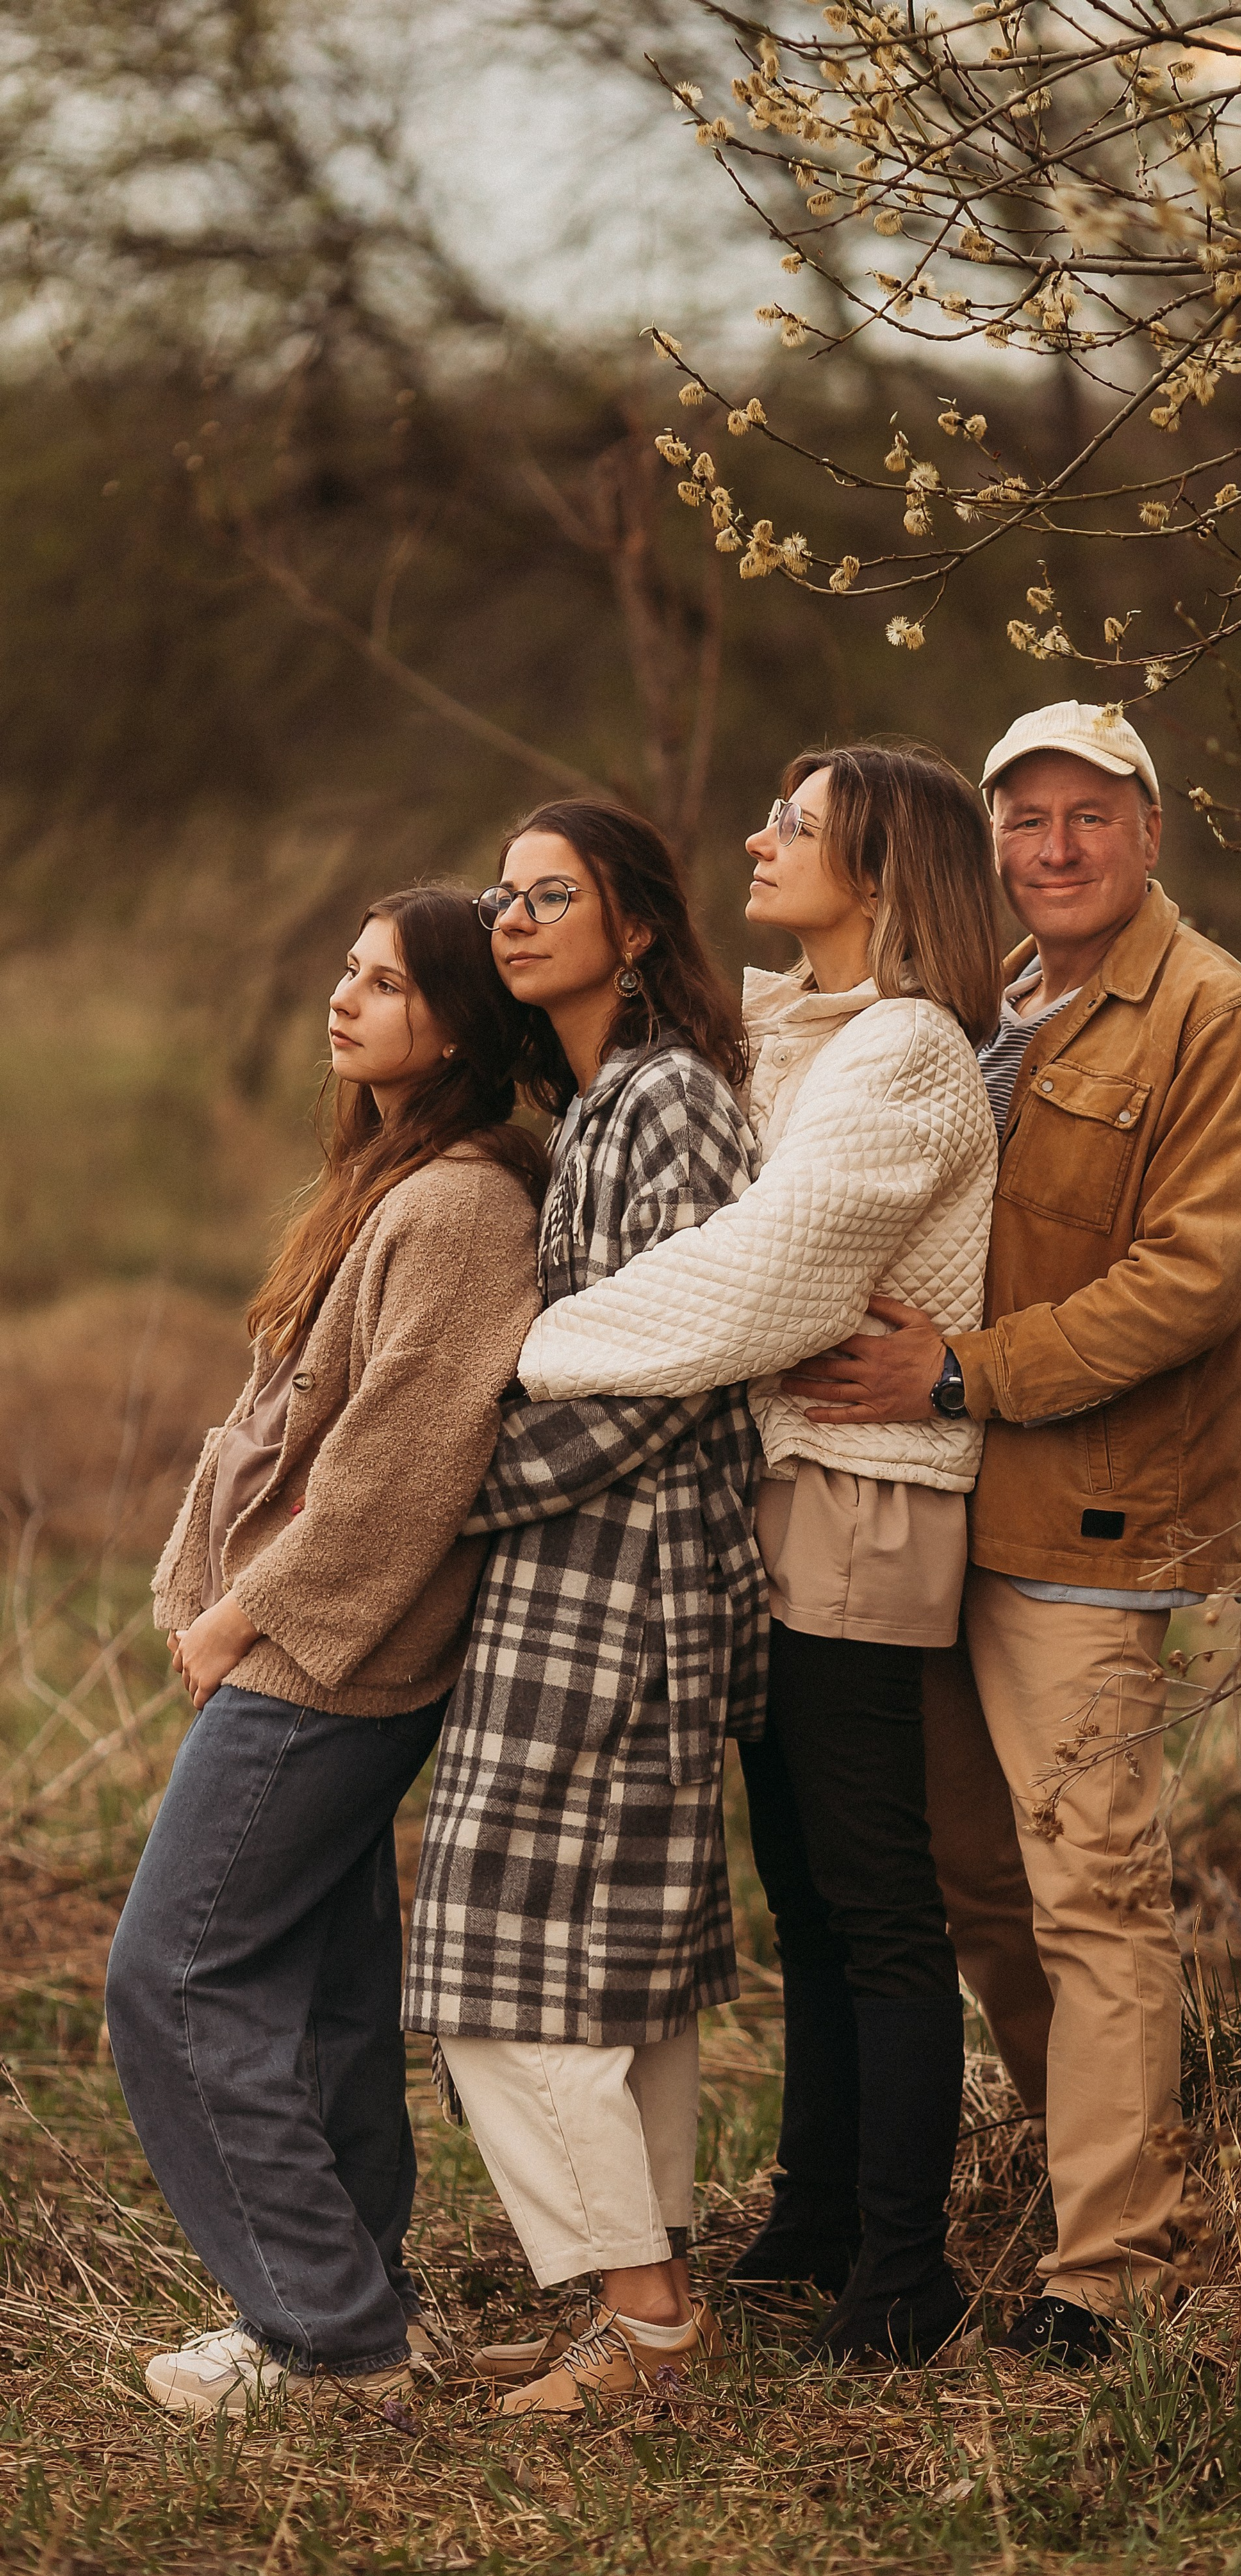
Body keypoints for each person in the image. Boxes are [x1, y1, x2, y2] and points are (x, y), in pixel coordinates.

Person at [784, 700, 1241, 2366]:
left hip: (1083, 1508)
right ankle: (1087, 2181)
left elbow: (1190, 1278)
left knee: (1091, 1887)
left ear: (1151, 829)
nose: (1055, 850)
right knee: (971, 1884)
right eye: (1026, 822)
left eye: (1089, 817)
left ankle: (1116, 2270)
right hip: (942, 1500)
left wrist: (959, 1371)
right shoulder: (991, 1001)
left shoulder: (1212, 1015)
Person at [513, 744, 1003, 2365]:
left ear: (880, 868)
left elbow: (775, 1274)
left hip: (863, 1493)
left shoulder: (907, 1050)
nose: (757, 835)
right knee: (799, 1884)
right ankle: (808, 2225)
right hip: (775, 1491)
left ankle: (902, 2275)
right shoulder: (796, 1035)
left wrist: (537, 1354)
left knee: (873, 1901)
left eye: (795, 825)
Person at [106, 887, 545, 2419]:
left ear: (458, 1023)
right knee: (322, 1987)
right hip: (294, 1642)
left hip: (329, 1664)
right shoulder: (388, 1181)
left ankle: (328, 2338)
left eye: (381, 982)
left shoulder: (464, 1207)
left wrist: (245, 1614)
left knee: (169, 1977)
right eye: (344, 973)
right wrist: (194, 1584)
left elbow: (400, 1462)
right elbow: (272, 1425)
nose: (342, 1001)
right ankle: (361, 2306)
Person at [402, 799, 767, 2421]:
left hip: (624, 1586)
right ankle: (656, 2305)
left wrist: (439, 1493)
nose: (513, 916)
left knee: (489, 1960)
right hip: (578, 1577)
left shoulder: (669, 1100)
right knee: (605, 1969)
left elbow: (670, 1369)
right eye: (501, 896)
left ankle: (640, 2327)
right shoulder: (601, 1103)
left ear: (634, 928)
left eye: (553, 894)